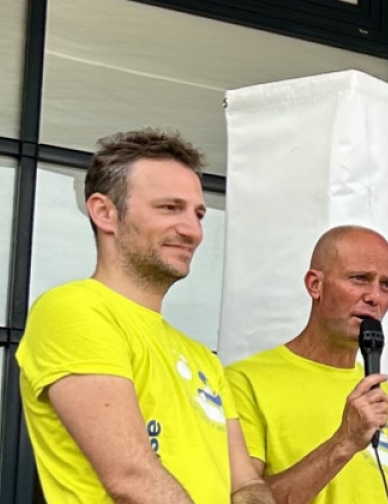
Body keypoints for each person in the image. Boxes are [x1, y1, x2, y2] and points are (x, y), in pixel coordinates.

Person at [16, 129, 273, 503]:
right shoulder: (72, 309)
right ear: (105, 212)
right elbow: (132, 479)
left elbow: (245, 484)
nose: (193, 231)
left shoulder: (202, 359)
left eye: (198, 214)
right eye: (169, 208)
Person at [227, 226, 388, 503]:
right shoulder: (244, 382)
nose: (375, 296)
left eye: (386, 285)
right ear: (315, 285)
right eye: (360, 279)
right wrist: (345, 442)